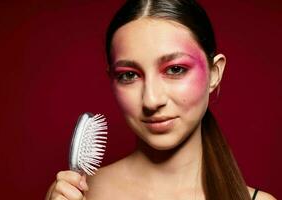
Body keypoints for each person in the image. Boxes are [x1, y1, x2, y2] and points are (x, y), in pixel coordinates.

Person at [45, 0, 276, 199]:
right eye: (129, 75)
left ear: (214, 73)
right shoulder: (76, 194)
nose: (151, 100)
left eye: (175, 69)